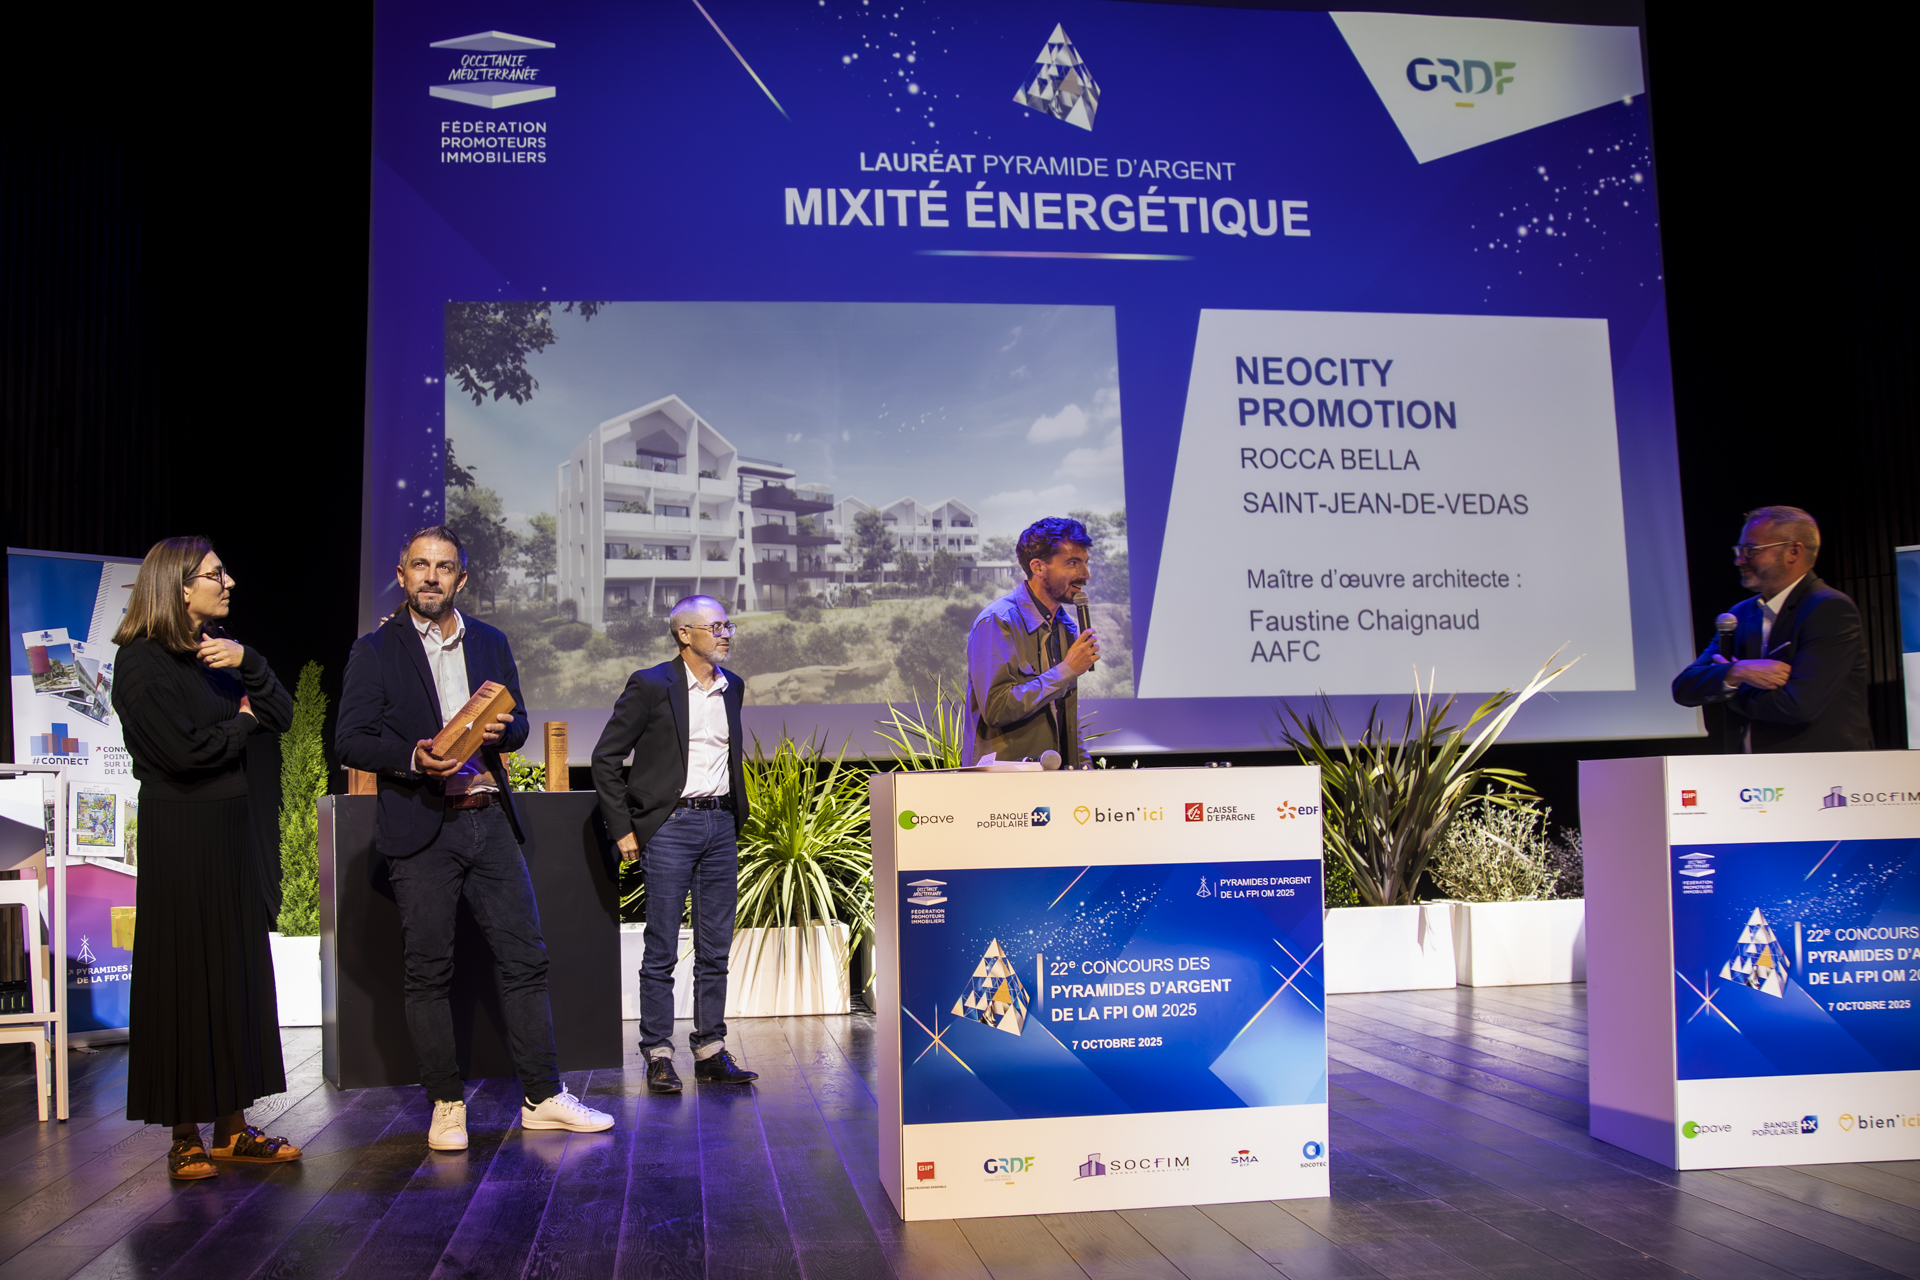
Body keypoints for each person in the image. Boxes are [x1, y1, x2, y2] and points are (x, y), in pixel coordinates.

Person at [336, 525, 613, 1150]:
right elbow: (349, 739)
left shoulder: (490, 641)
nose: (431, 576)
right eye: (420, 565)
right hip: (421, 825)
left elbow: (520, 725)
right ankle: (446, 1104)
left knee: (526, 959)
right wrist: (413, 757)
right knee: (429, 970)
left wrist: (504, 732)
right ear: (402, 575)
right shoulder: (375, 650)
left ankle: (542, 1097)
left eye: (443, 567)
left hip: (488, 820)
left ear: (460, 578)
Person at [110, 537, 299, 1180]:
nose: (229, 582)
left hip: (229, 830)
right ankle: (184, 1133)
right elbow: (185, 754)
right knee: (184, 976)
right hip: (181, 833)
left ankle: (233, 1129)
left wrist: (250, 662)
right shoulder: (140, 663)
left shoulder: (218, 650)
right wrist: (242, 724)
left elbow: (282, 713)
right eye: (217, 574)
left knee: (234, 972)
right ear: (180, 585)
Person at [591, 595, 759, 1094]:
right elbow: (606, 758)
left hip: (720, 825)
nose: (726, 634)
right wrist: (623, 827)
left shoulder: (733, 686)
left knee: (715, 946)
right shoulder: (650, 684)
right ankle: (658, 1053)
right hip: (669, 826)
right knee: (662, 945)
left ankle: (709, 1049)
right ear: (685, 634)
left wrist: (734, 816)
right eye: (716, 626)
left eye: (728, 626)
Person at [1672, 505, 1872, 752]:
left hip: (1819, 766)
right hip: (1751, 770)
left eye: (1751, 550)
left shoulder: (1828, 609)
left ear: (1793, 552)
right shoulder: (1741, 614)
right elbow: (1684, 688)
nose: (1739, 560)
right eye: (1739, 550)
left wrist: (1731, 691)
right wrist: (1738, 671)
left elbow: (1798, 706)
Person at [962, 516, 1101, 767]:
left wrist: (1085, 769)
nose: (1085, 574)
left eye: (1085, 563)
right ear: (1038, 567)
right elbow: (996, 709)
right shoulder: (998, 621)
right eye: (1073, 563)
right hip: (1007, 779)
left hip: (1056, 778)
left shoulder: (1066, 627)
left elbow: (1065, 716)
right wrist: (1066, 670)